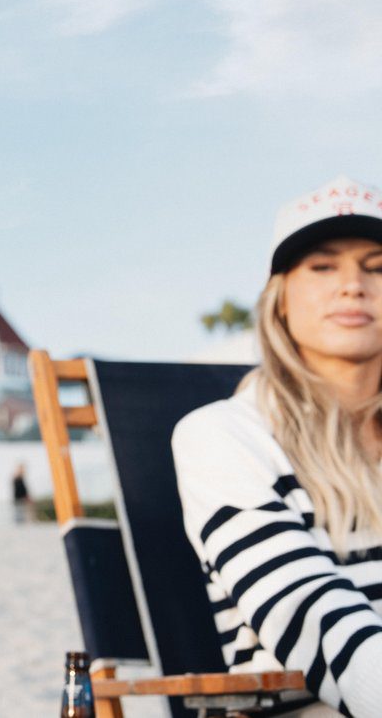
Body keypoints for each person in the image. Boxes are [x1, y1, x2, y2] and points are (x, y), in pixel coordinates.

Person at [173, 175, 382, 717]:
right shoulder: (223, 436)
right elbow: (316, 616)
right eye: (322, 266)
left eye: (377, 267)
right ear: (280, 299)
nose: (353, 286)